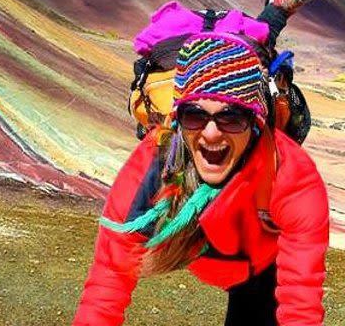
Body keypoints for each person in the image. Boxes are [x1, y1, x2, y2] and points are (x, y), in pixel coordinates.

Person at [73, 33, 329, 326]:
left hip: (261, 266)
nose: (211, 133)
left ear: (255, 121)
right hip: (215, 251)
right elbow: (109, 277)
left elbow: (301, 303)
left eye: (231, 118)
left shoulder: (293, 176)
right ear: (178, 119)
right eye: (194, 116)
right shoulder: (153, 163)